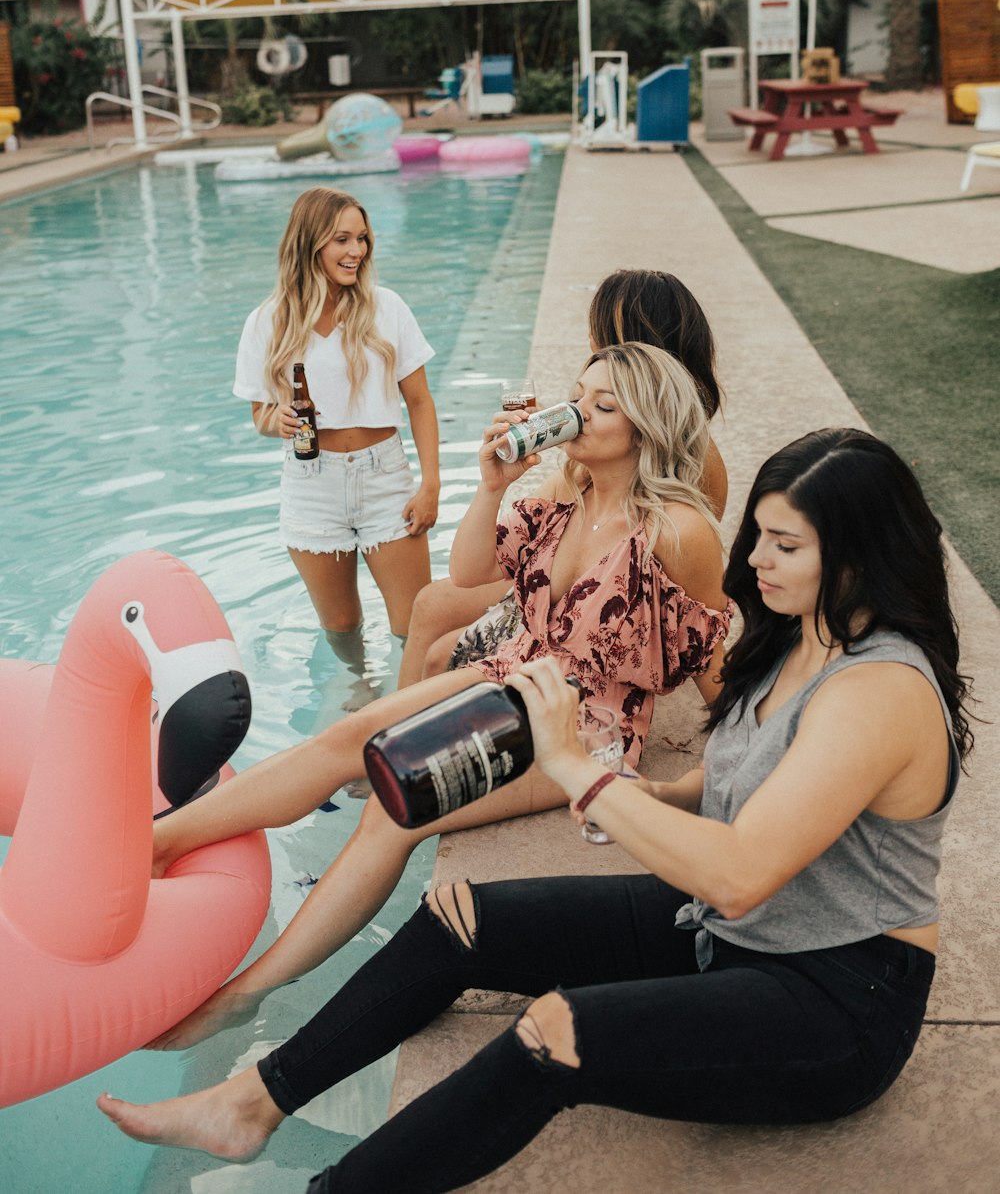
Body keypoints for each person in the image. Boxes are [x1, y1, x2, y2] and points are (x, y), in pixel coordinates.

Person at [98, 428, 974, 1193]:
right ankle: (254, 1102)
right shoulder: (794, 632)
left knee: (553, 1033)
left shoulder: (881, 690)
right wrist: (657, 796)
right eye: (760, 537)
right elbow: (746, 768)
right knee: (458, 918)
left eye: (785, 546)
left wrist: (578, 771)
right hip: (733, 934)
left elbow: (741, 875)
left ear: (856, 558)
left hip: (836, 991)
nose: (754, 561)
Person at [140, 342, 731, 1047]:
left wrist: (727, 771)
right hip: (512, 668)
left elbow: (713, 661)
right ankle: (156, 844)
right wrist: (491, 487)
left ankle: (246, 993)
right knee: (343, 742)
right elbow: (470, 568)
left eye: (603, 406)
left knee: (397, 807)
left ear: (646, 425)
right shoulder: (562, 499)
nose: (577, 413)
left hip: (581, 723)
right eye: (578, 396)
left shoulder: (677, 530)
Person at [396, 266, 728, 688]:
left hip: (592, 623)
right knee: (429, 604)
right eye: (579, 394)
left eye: (603, 334)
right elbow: (534, 529)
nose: (590, 343)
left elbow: (686, 609)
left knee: (441, 646)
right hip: (562, 588)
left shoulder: (685, 469)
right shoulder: (595, 446)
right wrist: (497, 485)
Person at [234, 185, 440, 638]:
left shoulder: (387, 307)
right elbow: (259, 415)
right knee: (342, 627)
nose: (357, 251)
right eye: (342, 240)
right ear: (310, 243)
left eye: (362, 238)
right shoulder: (268, 320)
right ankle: (356, 704)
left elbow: (420, 401)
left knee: (414, 626)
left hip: (385, 477)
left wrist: (431, 485)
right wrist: (279, 420)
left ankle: (411, 707)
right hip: (311, 487)